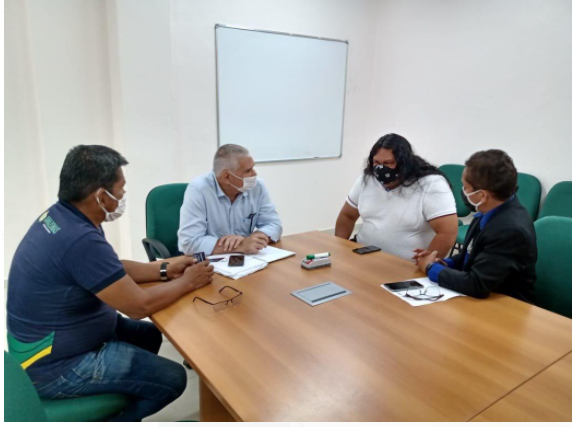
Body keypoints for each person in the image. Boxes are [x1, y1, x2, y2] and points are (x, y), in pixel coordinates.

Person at [7, 145, 214, 422]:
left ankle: (123, 393)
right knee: (173, 378)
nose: (123, 195)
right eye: (121, 189)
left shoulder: (64, 216)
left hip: (60, 339)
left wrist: (164, 268)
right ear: (100, 195)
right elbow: (138, 306)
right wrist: (189, 281)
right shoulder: (79, 239)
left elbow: (108, 267)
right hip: (57, 367)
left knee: (150, 336)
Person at [416, 149, 537, 302]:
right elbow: (472, 254)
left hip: (505, 305)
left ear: (482, 195)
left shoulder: (510, 230)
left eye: (465, 187)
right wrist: (445, 263)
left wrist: (430, 268)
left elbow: (477, 284)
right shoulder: (488, 211)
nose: (463, 191)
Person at [335, 133, 458, 260]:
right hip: (364, 254)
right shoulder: (368, 178)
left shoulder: (431, 184)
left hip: (407, 264)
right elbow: (347, 215)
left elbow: (447, 233)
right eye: (376, 162)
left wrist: (427, 264)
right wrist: (339, 247)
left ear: (404, 164)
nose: (381, 168)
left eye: (388, 163)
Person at [178, 144, 283, 256]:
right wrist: (240, 245)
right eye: (248, 170)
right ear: (227, 177)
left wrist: (256, 238)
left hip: (248, 259)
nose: (255, 174)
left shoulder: (258, 186)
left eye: (253, 167)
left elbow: (274, 224)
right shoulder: (199, 190)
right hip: (212, 261)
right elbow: (189, 242)